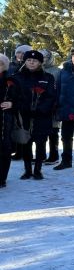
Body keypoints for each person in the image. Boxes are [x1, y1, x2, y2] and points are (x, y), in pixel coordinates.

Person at [11, 50, 57, 180]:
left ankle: (38, 170)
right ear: (25, 62)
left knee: (41, 143)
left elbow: (51, 96)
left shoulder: (48, 77)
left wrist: (40, 109)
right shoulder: (17, 77)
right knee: (26, 143)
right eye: (29, 60)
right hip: (24, 116)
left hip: (42, 116)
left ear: (40, 63)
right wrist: (23, 108)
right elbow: (14, 96)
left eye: (35, 61)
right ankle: (27, 170)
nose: (32, 63)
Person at [0, 54, 19, 187]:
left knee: (4, 148)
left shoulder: (11, 80)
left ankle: (2, 178)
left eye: (0, 64)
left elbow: (21, 99)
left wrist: (12, 104)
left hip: (4, 119)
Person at [40, 50, 61, 164]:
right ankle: (41, 154)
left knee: (53, 131)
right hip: (40, 105)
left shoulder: (57, 71)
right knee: (41, 131)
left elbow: (59, 88)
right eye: (41, 57)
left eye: (45, 57)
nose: (43, 60)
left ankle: (54, 155)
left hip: (53, 105)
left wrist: (56, 103)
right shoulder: (37, 70)